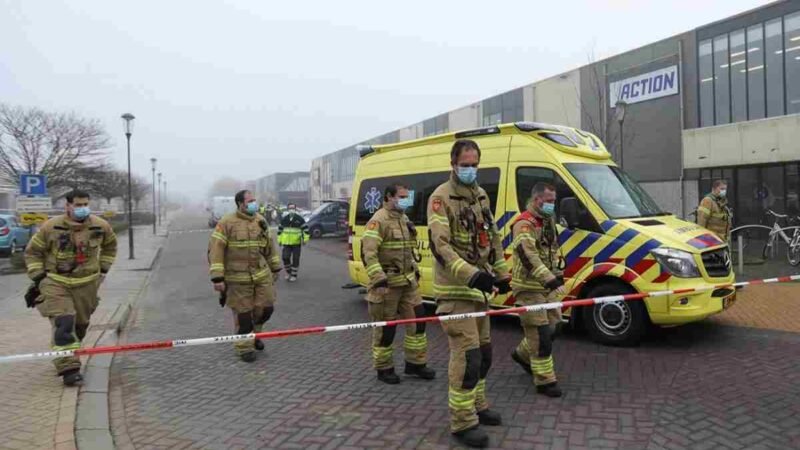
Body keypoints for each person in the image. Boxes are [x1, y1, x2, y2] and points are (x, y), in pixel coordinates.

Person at [427, 139, 512, 448]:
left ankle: (478, 404)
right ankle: (462, 422)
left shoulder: (480, 196)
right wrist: (471, 274)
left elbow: (493, 236)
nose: (470, 169)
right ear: (453, 164)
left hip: (479, 293)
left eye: (475, 164)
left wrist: (501, 273)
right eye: (465, 164)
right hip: (455, 292)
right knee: (468, 356)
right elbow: (441, 246)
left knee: (485, 355)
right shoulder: (440, 198)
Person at [24, 189, 117, 386]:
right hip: (56, 282)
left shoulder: (101, 226)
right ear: (67, 205)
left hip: (87, 284)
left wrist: (103, 270)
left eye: (85, 204)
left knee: (80, 326)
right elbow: (33, 252)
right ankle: (69, 369)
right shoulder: (50, 227)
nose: (82, 208)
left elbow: (110, 247)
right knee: (64, 323)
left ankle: (70, 353)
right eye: (78, 205)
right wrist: (39, 277)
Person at [362, 183, 435, 385]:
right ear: (388, 197)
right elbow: (368, 253)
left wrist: (415, 269)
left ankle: (415, 364)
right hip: (387, 285)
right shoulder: (378, 221)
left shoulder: (404, 219)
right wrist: (379, 279)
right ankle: (384, 368)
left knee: (418, 321)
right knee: (386, 329)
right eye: (401, 197)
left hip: (408, 283)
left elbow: (407, 250)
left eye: (406, 197)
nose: (405, 200)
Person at [208, 190, 282, 362]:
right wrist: (217, 278)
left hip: (261, 275)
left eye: (255, 200)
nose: (254, 203)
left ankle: (254, 335)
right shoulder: (226, 223)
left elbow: (269, 247)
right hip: (237, 279)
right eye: (250, 201)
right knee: (244, 316)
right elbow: (216, 250)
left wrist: (276, 267)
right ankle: (244, 348)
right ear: (240, 203)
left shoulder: (260, 221)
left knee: (266, 309)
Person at [509, 183, 565, 398]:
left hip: (545, 285)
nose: (552, 204)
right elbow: (527, 254)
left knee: (555, 326)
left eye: (554, 201)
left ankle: (523, 354)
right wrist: (549, 278)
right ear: (537, 200)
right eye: (549, 201)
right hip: (528, 287)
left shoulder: (548, 220)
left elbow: (552, 248)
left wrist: (558, 272)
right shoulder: (524, 224)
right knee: (540, 334)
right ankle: (545, 380)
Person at [278, 203, 308, 282]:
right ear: (288, 209)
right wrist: (279, 240)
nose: (292, 209)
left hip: (296, 243)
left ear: (295, 209)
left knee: (295, 259)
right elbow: (280, 230)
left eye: (293, 208)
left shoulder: (299, 219)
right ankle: (289, 272)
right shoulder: (284, 219)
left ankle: (294, 275)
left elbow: (305, 229)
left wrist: (305, 239)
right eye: (290, 208)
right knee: (285, 257)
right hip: (286, 243)